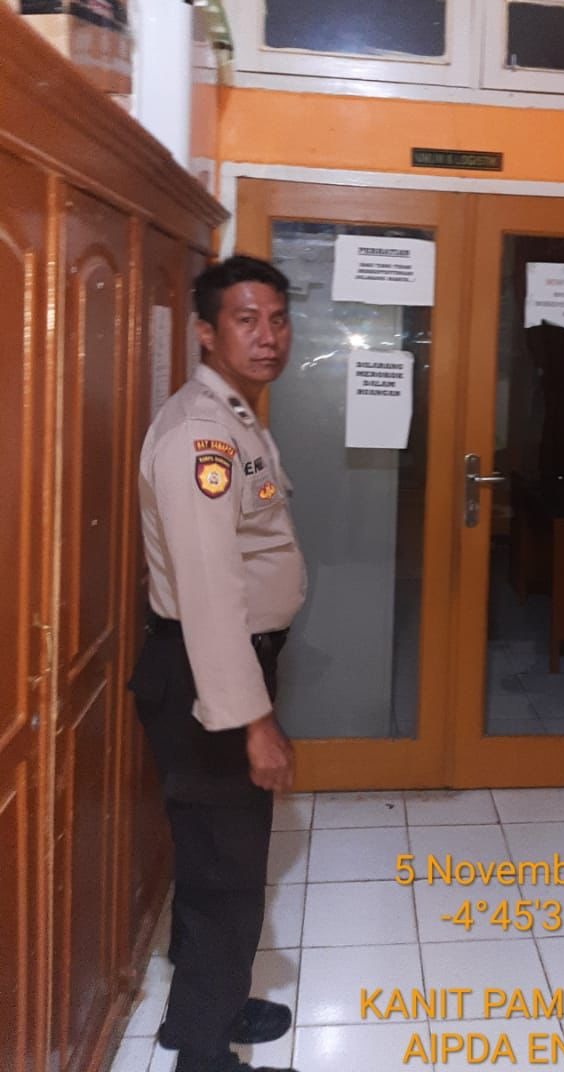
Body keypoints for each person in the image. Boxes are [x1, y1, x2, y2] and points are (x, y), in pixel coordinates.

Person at [128, 255, 306, 1072]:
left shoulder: (233, 416)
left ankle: (204, 1008)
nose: (267, 336)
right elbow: (207, 592)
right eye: (245, 319)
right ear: (206, 331)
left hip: (220, 666)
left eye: (277, 319)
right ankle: (204, 1052)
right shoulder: (201, 436)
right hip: (208, 678)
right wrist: (254, 722)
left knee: (212, 856)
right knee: (226, 870)